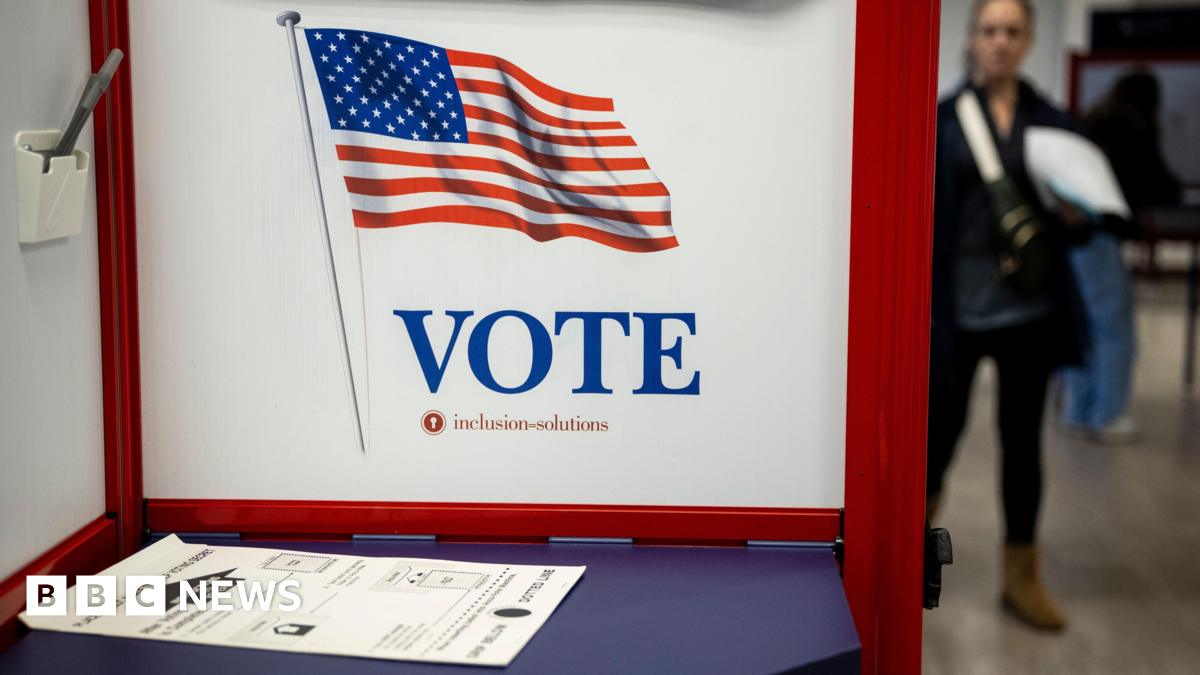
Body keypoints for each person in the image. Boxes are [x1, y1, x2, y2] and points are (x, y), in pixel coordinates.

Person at [927, 0, 1088, 631]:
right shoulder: (940, 121)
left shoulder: (1053, 123)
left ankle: (1022, 578)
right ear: (971, 39)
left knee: (1024, 449)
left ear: (1028, 41)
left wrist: (1076, 219)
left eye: (1012, 32)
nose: (999, 42)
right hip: (956, 314)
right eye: (989, 30)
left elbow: (1073, 221)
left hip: (1029, 313)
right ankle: (909, 567)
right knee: (937, 443)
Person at [1060, 72, 1182, 443]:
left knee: (1082, 327)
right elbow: (1162, 185)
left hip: (1072, 238)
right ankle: (1107, 414)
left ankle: (1078, 410)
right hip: (1100, 236)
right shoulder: (1132, 128)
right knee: (1112, 329)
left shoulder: (1092, 121)